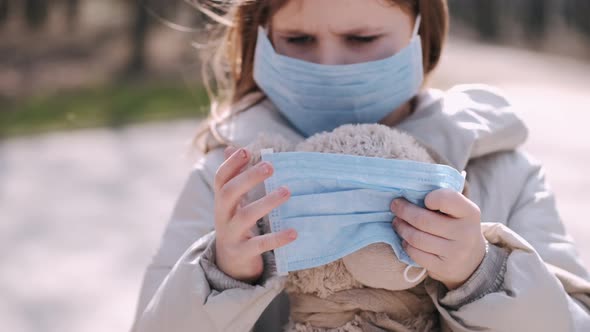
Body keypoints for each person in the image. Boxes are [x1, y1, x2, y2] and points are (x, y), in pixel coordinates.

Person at [130, 1, 590, 331]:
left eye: (362, 38)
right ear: (262, 41)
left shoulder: (503, 171)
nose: (329, 64)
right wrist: (221, 275)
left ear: (421, 36)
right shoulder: (227, 177)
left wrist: (482, 274)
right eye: (299, 39)